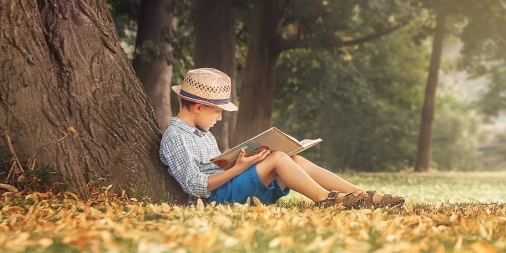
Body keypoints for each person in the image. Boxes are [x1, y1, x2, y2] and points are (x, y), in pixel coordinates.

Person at [159, 68, 405, 208]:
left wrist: (242, 161)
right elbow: (195, 186)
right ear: (199, 107)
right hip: (216, 198)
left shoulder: (203, 135)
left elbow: (214, 168)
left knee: (292, 159)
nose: (220, 118)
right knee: (277, 158)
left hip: (228, 186)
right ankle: (326, 200)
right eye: (218, 111)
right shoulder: (176, 138)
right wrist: (239, 168)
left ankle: (361, 195)